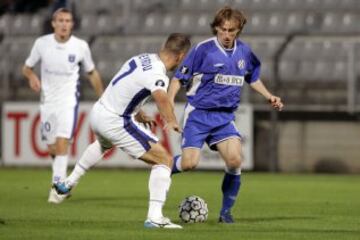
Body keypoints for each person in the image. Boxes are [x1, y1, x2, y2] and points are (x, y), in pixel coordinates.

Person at [52, 33, 191, 228]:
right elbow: (161, 97)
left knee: (102, 144)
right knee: (164, 160)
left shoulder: (142, 58)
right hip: (115, 121)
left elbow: (124, 86)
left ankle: (68, 183)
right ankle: (154, 218)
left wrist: (138, 111)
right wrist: (172, 120)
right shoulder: (159, 75)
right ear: (181, 56)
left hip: (99, 111)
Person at [168, 6, 284, 223]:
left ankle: (226, 213)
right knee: (189, 164)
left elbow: (253, 77)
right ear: (216, 28)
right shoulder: (203, 50)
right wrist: (169, 107)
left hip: (224, 118)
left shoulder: (244, 52)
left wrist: (269, 96)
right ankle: (163, 166)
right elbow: (177, 79)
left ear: (239, 30)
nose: (228, 35)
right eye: (223, 30)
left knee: (235, 159)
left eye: (232, 30)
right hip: (199, 114)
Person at [22, 8, 104, 203]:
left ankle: (56, 189)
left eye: (67, 21)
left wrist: (102, 96)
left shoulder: (80, 46)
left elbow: (91, 72)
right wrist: (32, 76)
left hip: (69, 101)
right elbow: (26, 67)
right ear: (53, 23)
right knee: (52, 147)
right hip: (47, 101)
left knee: (62, 143)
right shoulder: (41, 44)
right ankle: (60, 175)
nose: (64, 24)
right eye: (60, 20)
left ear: (72, 24)